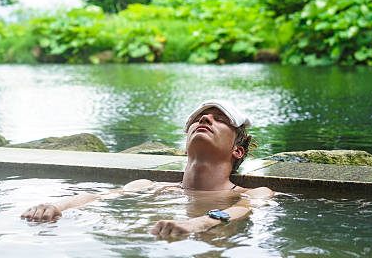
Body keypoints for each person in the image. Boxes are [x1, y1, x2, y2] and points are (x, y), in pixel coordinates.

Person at [21, 99, 274, 237]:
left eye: (219, 120)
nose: (205, 119)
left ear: (237, 150)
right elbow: (97, 198)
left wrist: (196, 224)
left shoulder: (252, 193)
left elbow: (240, 211)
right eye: (200, 118)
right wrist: (57, 206)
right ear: (186, 147)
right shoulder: (148, 187)